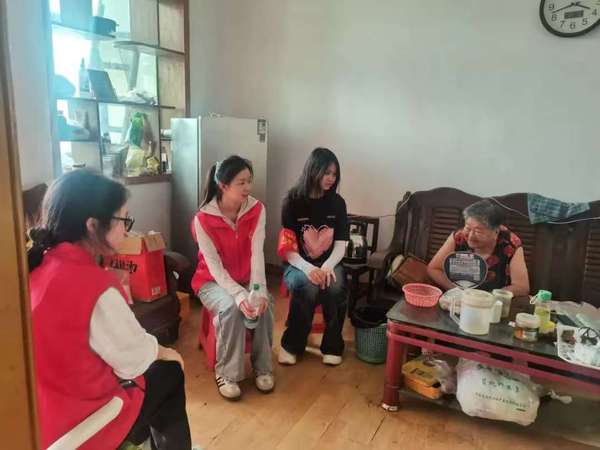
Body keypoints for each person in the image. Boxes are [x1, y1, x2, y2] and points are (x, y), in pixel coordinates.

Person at [28, 170, 191, 450]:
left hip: (42, 421)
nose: (127, 230)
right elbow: (134, 361)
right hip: (84, 426)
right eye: (123, 220)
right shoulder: (94, 287)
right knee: (170, 372)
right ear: (93, 225)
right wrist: (164, 352)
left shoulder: (38, 265)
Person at [191, 155, 273, 401]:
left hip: (247, 278)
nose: (248, 187)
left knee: (265, 306)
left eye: (249, 181)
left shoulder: (257, 210)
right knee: (231, 308)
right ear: (223, 185)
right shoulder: (202, 219)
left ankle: (263, 368)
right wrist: (238, 295)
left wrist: (258, 291)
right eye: (241, 182)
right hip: (210, 281)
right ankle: (227, 374)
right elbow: (214, 268)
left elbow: (257, 253)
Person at [277, 147, 349, 366]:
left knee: (336, 286)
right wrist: (309, 269)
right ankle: (291, 345)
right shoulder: (292, 201)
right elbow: (288, 249)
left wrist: (326, 267)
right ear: (313, 169)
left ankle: (333, 346)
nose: (331, 178)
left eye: (334, 174)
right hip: (297, 264)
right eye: (326, 172)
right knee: (307, 286)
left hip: (329, 264)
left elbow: (341, 244)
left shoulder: (338, 203)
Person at [427, 199, 530, 295]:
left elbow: (522, 287)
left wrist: (485, 297)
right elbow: (433, 269)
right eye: (468, 228)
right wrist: (458, 291)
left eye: (478, 231)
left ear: (496, 232)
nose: (470, 236)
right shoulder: (459, 237)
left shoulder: (511, 243)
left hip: (493, 301)